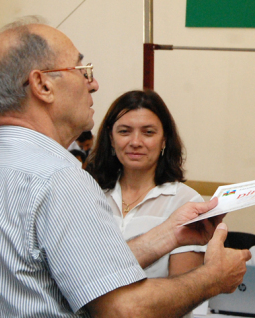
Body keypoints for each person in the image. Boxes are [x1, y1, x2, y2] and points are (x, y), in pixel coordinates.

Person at [0, 18, 250, 318]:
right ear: (42, 85)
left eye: (148, 132)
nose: (93, 84)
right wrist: (213, 278)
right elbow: (122, 310)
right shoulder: (60, 179)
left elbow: (84, 274)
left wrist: (168, 234)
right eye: (82, 71)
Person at [85, 90, 206, 287]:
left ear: (164, 139)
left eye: (148, 132)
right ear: (111, 138)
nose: (135, 142)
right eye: (124, 131)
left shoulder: (186, 202)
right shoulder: (89, 192)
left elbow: (182, 293)